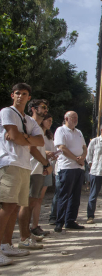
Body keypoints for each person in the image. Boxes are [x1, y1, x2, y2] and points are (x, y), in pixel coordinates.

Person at [0, 83, 44, 266]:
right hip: (10, 162)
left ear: (28, 98)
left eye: (24, 94)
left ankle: (6, 244)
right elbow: (13, 135)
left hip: (25, 165)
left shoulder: (30, 120)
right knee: (7, 206)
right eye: (17, 93)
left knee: (15, 207)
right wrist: (26, 138)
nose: (20, 96)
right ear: (12, 95)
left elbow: (40, 141)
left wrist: (22, 136)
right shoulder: (7, 112)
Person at [19, 100, 53, 246]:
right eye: (43, 107)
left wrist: (45, 164)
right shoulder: (28, 123)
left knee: (32, 202)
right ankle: (24, 238)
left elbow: (38, 149)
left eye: (47, 107)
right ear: (33, 109)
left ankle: (27, 235)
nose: (46, 110)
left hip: (38, 169)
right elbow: (31, 148)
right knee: (26, 204)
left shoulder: (38, 127)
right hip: (30, 168)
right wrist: (46, 163)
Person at [54, 111, 87, 232]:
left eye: (77, 117)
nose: (75, 119)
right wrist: (76, 159)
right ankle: (59, 222)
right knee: (64, 196)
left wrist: (82, 158)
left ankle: (70, 220)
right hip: (67, 168)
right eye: (73, 117)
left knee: (75, 197)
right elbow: (62, 148)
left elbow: (84, 147)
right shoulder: (60, 130)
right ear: (66, 118)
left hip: (78, 168)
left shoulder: (79, 132)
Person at [31, 113, 56, 236]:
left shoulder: (49, 136)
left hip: (48, 168)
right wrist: (46, 155)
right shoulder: (36, 131)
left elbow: (50, 150)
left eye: (51, 120)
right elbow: (34, 149)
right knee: (32, 199)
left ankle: (35, 226)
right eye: (48, 120)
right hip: (37, 167)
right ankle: (28, 227)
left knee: (39, 199)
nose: (50, 122)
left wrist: (53, 155)